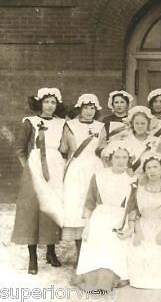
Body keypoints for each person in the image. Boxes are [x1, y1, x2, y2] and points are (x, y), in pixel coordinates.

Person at [11, 87, 66, 274]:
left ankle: (51, 251)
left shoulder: (62, 123)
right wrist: (29, 168)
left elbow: (65, 147)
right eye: (46, 102)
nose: (50, 106)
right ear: (40, 103)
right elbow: (20, 148)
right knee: (32, 210)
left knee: (52, 208)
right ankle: (33, 257)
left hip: (55, 167)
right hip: (34, 168)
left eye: (53, 102)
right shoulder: (30, 122)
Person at [74, 140, 135, 292]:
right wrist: (87, 226)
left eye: (124, 157)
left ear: (129, 159)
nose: (121, 161)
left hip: (120, 218)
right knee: (98, 240)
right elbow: (89, 202)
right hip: (100, 216)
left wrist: (130, 227)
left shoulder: (132, 180)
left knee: (114, 243)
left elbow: (133, 206)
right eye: (117, 157)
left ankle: (113, 276)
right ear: (110, 159)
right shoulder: (99, 176)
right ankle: (94, 276)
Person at [59, 94, 104, 267]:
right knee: (77, 208)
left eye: (92, 108)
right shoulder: (69, 125)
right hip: (76, 168)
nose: (89, 111)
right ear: (79, 109)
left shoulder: (100, 127)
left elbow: (102, 148)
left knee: (93, 207)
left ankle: (92, 254)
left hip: (94, 167)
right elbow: (63, 148)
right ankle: (80, 255)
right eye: (86, 108)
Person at [127, 152, 161, 289]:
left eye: (155, 167)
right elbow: (135, 213)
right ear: (145, 171)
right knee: (138, 246)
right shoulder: (139, 189)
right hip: (142, 225)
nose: (152, 171)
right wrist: (138, 233)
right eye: (148, 168)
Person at [123, 106, 161, 174]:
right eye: (137, 123)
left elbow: (159, 163)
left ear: (148, 124)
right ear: (132, 124)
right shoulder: (126, 141)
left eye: (143, 123)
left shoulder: (155, 141)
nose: (140, 126)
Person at [96, 90, 134, 156]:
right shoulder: (107, 119)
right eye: (116, 102)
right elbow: (102, 138)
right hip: (111, 151)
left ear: (127, 104)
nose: (119, 105)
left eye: (122, 102)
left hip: (129, 151)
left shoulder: (132, 119)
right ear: (112, 104)